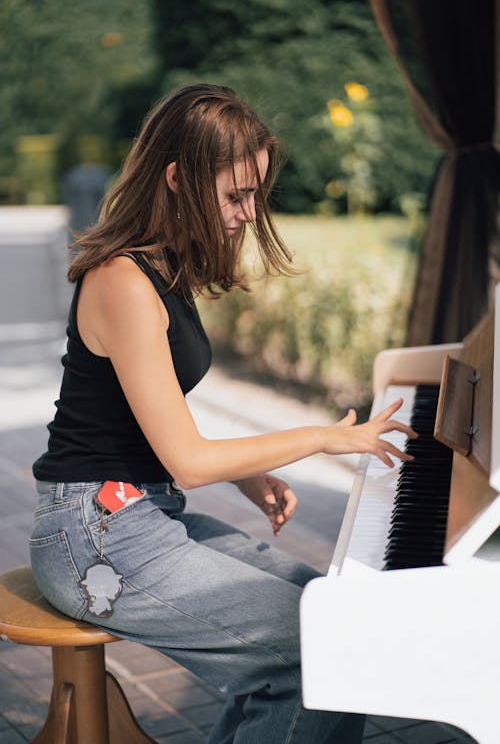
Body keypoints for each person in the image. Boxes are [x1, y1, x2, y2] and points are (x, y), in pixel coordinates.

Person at [31, 83, 416, 744]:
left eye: (255, 196)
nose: (247, 213)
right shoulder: (122, 281)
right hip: (94, 537)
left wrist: (244, 474)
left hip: (139, 514)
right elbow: (188, 459)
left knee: (337, 622)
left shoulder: (163, 268)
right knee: (316, 648)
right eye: (237, 195)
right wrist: (324, 436)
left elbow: (150, 427)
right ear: (178, 178)